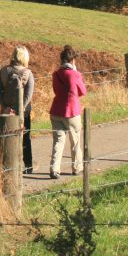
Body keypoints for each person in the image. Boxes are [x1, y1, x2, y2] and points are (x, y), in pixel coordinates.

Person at [0, 45, 35, 173]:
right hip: (24, 112)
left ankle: (3, 166)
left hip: (6, 111)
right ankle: (28, 166)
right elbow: (28, 94)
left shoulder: (3, 71)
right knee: (25, 138)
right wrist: (20, 109)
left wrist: (5, 106)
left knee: (4, 138)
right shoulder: (28, 73)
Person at [49, 45, 88, 179]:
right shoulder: (75, 74)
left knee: (58, 141)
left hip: (56, 110)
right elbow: (83, 91)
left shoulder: (56, 74)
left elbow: (55, 91)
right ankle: (77, 167)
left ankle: (54, 169)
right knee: (75, 141)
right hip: (71, 111)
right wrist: (77, 75)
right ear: (72, 61)